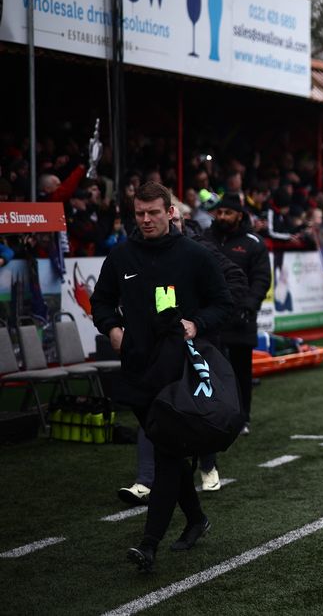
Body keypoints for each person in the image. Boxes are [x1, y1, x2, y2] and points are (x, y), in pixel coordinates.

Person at [91, 182, 233, 572]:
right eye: (140, 213)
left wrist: (195, 323)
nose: (146, 220)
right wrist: (113, 328)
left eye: (154, 212)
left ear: (171, 212)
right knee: (166, 451)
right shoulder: (121, 256)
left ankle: (148, 544)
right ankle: (196, 519)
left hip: (179, 374)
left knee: (168, 455)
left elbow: (224, 303)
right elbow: (100, 301)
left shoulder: (195, 256)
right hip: (138, 372)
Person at [203, 193, 271, 438]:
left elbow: (262, 279)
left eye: (227, 213)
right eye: (219, 212)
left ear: (239, 215)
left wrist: (249, 306)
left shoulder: (253, 242)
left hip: (241, 317)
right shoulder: (205, 238)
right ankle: (216, 415)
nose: (221, 217)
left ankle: (242, 418)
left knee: (241, 371)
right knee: (212, 369)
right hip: (212, 317)